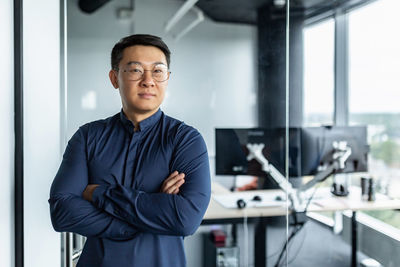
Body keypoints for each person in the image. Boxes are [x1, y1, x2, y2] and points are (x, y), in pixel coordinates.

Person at [49, 34, 211, 267]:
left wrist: (98, 194)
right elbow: (62, 211)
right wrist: (152, 212)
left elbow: (185, 219)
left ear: (167, 78)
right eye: (135, 70)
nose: (148, 81)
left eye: (158, 71)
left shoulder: (185, 140)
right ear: (115, 78)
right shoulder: (87, 137)